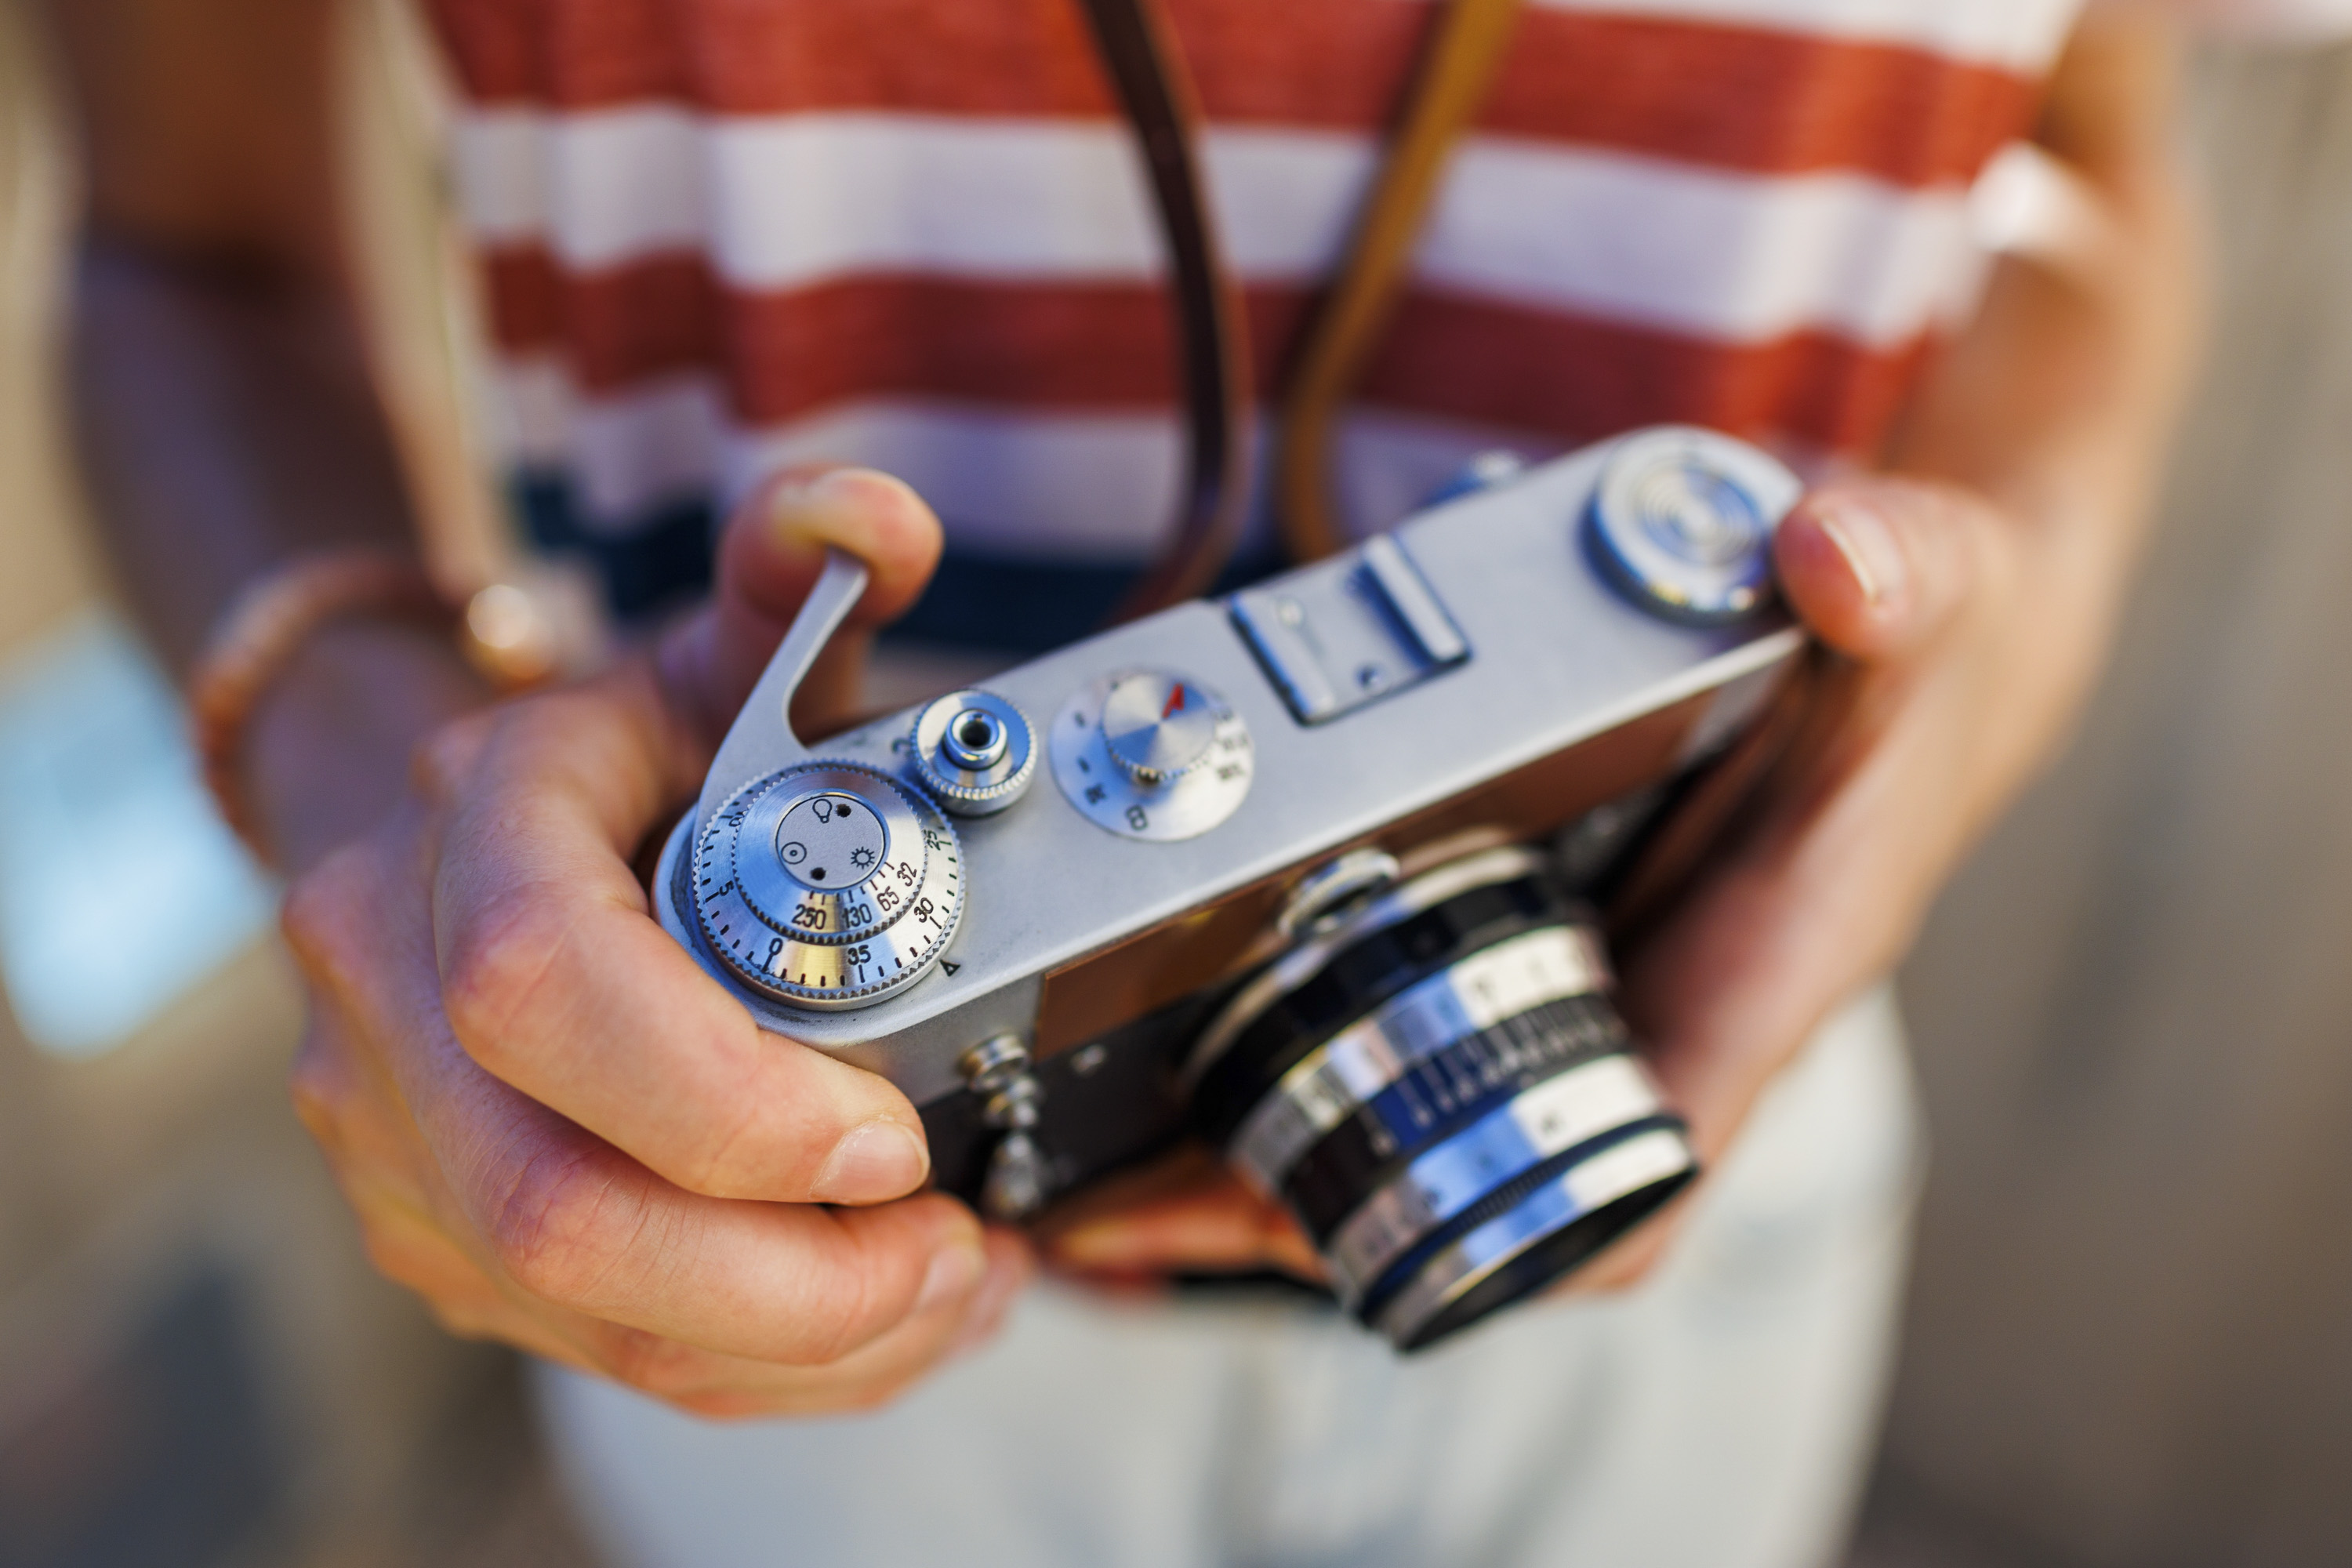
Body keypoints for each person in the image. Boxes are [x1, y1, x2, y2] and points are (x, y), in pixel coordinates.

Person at [42, 1, 2339, 1563]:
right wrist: (403, 830)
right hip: (776, 1269)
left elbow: (2087, 186)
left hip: (1664, 1153)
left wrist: (1965, 668)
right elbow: (186, 251)